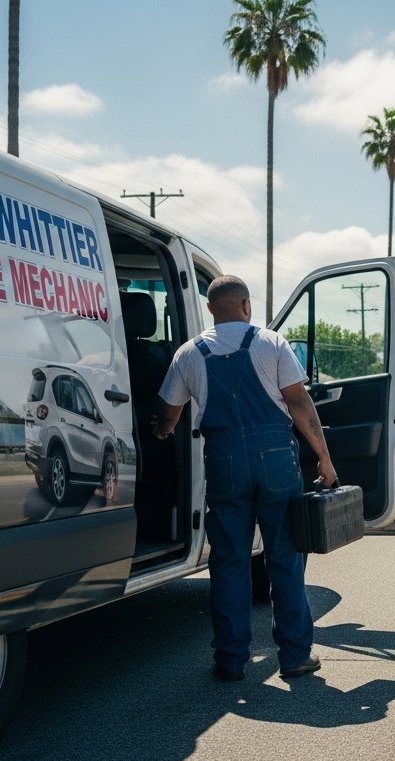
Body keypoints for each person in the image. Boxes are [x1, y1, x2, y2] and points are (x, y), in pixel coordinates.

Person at [155, 275, 338, 681]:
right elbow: (299, 403)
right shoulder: (271, 343)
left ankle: (231, 660)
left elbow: (169, 411)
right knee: (285, 559)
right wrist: (324, 460)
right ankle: (294, 656)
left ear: (209, 309)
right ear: (246, 306)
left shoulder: (189, 353)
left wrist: (163, 431)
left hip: (224, 463)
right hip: (276, 462)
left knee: (229, 562)